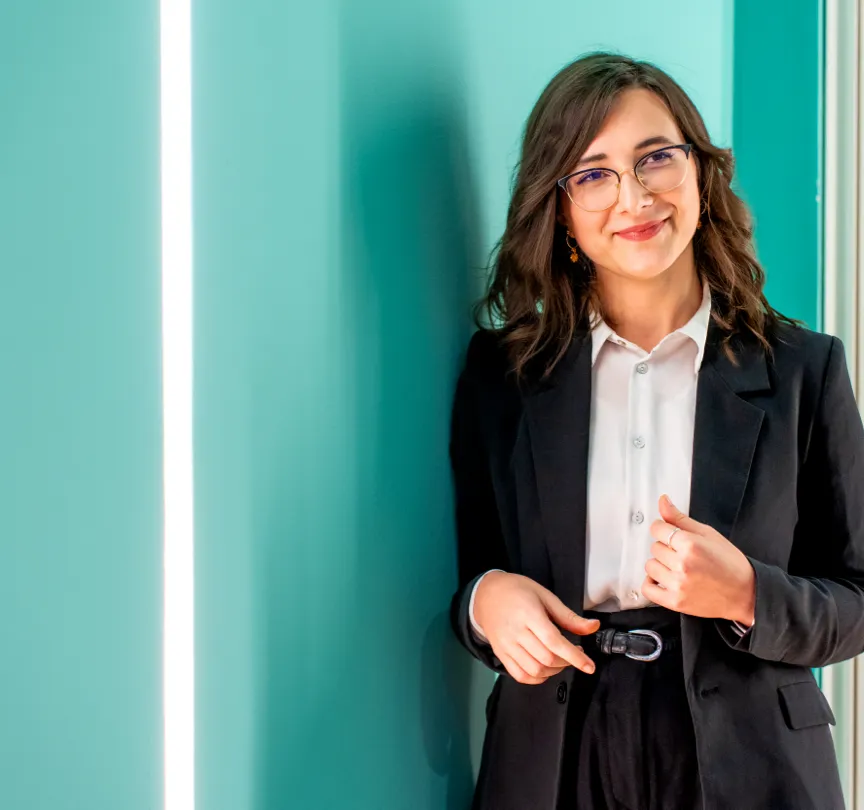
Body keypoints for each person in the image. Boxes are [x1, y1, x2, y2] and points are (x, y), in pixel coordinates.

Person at [448, 51, 864, 810]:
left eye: (655, 159)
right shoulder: (504, 376)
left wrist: (747, 594)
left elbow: (859, 596)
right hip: (555, 755)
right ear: (563, 212)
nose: (632, 196)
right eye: (593, 174)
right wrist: (486, 602)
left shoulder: (806, 371)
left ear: (700, 175)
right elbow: (472, 573)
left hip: (753, 764)